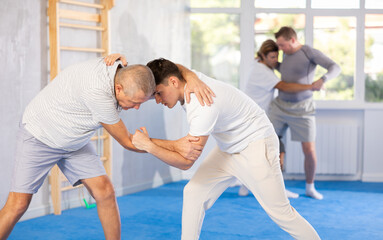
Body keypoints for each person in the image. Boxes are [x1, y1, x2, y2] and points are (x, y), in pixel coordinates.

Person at [0, 56, 214, 240]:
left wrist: (192, 77)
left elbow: (168, 68)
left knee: (105, 191)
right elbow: (129, 142)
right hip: (41, 134)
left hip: (74, 139)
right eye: (134, 102)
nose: (137, 107)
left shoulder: (130, 76)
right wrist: (176, 144)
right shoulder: (98, 93)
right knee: (18, 204)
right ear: (118, 88)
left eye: (142, 101)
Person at [132, 58, 321, 240]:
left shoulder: (202, 104)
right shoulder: (185, 78)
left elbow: (185, 161)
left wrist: (149, 145)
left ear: (173, 82)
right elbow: (175, 67)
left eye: (158, 93)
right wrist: (190, 74)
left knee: (281, 213)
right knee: (193, 193)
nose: (157, 100)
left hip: (256, 143)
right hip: (229, 147)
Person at [238, 39, 322, 198]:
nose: (275, 61)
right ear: (262, 55)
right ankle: (274, 189)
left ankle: (246, 185)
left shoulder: (260, 65)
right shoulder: (262, 70)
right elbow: (284, 86)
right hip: (253, 118)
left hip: (257, 117)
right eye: (272, 57)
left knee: (263, 151)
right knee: (275, 150)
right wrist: (311, 86)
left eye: (277, 56)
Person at [269, 26, 341, 200]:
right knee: (270, 144)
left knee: (308, 149)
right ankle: (276, 188)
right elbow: (288, 71)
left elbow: (335, 67)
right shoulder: (285, 54)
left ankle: (310, 187)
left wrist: (322, 79)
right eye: (278, 45)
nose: (279, 49)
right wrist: (271, 64)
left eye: (282, 45)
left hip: (303, 108)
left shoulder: (309, 52)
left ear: (293, 40)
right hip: (280, 107)